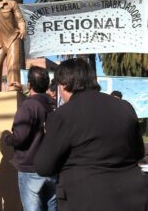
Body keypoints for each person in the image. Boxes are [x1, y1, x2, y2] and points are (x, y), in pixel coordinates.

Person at [34, 58, 148, 211]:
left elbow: (44, 167)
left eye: (59, 86)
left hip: (86, 200)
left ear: (65, 84)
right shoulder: (125, 107)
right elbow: (138, 152)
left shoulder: (62, 116)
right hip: (133, 198)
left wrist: (48, 136)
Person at [3, 66, 57, 211]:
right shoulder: (53, 104)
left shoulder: (28, 106)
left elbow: (19, 138)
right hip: (53, 167)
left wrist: (8, 138)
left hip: (31, 168)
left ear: (29, 85)